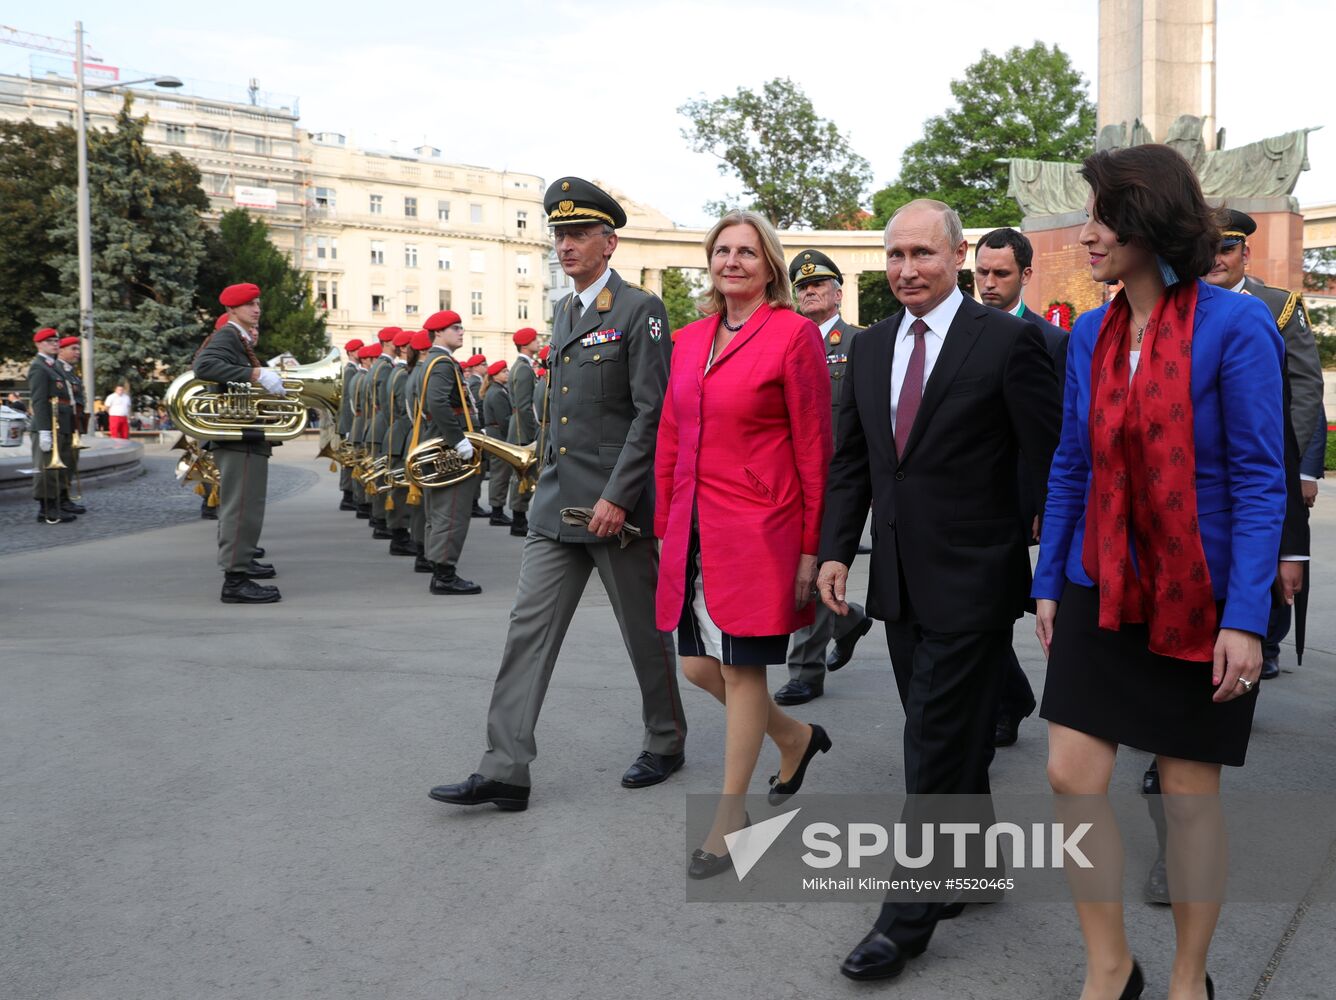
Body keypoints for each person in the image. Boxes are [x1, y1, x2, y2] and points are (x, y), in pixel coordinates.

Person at [1033, 145, 1285, 1000]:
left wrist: (1246, 617)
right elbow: (1074, 459)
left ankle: (1187, 978)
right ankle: (1111, 965)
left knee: (1185, 797)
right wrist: (1047, 579)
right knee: (1070, 773)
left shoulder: (1234, 324)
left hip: (1203, 599)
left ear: (1149, 219)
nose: (1089, 231)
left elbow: (1260, 479)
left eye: (1105, 214)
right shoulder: (1094, 332)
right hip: (1099, 581)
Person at [816, 199, 1060, 981]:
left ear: (957, 256)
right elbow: (854, 460)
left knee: (931, 741)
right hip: (897, 580)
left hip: (978, 579)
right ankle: (975, 864)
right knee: (941, 731)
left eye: (922, 254)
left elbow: (1048, 460)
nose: (905, 270)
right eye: (894, 256)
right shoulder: (873, 345)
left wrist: (1047, 569)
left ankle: (907, 917)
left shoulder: (1009, 342)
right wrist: (834, 554)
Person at [429, 176, 686, 812]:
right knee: (527, 630)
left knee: (643, 630)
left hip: (613, 510)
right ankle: (505, 767)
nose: (565, 245)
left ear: (610, 242)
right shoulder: (566, 310)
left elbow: (650, 414)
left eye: (577, 234)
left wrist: (621, 497)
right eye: (559, 235)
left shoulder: (638, 311)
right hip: (554, 504)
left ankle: (666, 736)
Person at [657, 212, 833, 878]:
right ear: (710, 261)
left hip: (762, 530)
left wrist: (814, 548)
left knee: (741, 671)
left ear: (770, 265)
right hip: (694, 528)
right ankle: (795, 738)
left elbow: (816, 448)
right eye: (722, 250)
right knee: (698, 668)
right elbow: (669, 439)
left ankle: (730, 819)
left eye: (747, 252)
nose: (733, 261)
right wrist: (668, 527)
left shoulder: (793, 336)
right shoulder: (688, 339)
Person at [1206, 208, 1324, 680]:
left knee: (1273, 547)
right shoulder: (1181, 304)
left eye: (1226, 248)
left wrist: (1296, 466)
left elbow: (1304, 391)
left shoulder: (1278, 304)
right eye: (1208, 249)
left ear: (1244, 253)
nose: (1216, 259)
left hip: (1270, 457)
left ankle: (1267, 640)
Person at [974, 226, 1072, 747]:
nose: (989, 284)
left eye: (1001, 274)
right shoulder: (955, 332)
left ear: (1026, 276)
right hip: (966, 497)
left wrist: (1044, 504)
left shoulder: (1053, 340)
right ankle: (1009, 697)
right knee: (980, 606)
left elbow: (1054, 437)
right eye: (982, 273)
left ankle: (1004, 702)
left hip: (1019, 501)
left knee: (995, 605)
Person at [774, 248, 871, 707]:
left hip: (836, 480)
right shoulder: (785, 340)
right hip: (787, 480)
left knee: (810, 566)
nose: (809, 291)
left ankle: (805, 671)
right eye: (802, 286)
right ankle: (847, 619)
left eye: (818, 285)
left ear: (838, 292)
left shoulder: (858, 344)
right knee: (790, 568)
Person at [193, 283, 284, 604]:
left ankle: (241, 565)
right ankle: (234, 580)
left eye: (258, 303)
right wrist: (256, 375)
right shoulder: (227, 335)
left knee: (248, 507)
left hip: (244, 434)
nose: (256, 309)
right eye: (248, 305)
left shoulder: (239, 338)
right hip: (236, 437)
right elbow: (203, 367)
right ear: (232, 310)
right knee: (241, 507)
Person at [413, 310, 482, 595]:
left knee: (440, 510)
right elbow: (438, 404)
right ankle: (444, 574)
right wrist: (459, 441)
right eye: (456, 328)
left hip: (439, 443)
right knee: (451, 511)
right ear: (439, 333)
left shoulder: (434, 361)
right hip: (447, 447)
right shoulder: (442, 363)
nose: (462, 332)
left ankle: (439, 567)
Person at [27, 328, 75, 524]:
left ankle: (56, 504)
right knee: (46, 468)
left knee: (58, 467)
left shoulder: (53, 366)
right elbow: (38, 401)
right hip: (47, 425)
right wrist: (45, 430)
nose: (55, 344)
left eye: (56, 341)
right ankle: (46, 508)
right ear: (38, 344)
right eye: (49, 341)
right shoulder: (39, 367)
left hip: (59, 423)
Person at [404, 329, 435, 574]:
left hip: (417, 436)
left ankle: (422, 549)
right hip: (426, 438)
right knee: (428, 503)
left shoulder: (413, 371)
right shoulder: (425, 371)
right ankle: (425, 551)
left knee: (422, 502)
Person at [384, 329, 416, 556]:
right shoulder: (403, 374)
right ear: (405, 349)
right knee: (401, 489)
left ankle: (400, 535)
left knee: (400, 487)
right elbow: (405, 411)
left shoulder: (397, 372)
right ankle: (399, 537)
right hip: (402, 435)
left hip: (397, 433)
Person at [507, 327, 541, 536]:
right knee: (523, 476)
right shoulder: (524, 369)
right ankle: (518, 519)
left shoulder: (522, 367)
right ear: (525, 344)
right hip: (522, 430)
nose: (538, 343)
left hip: (520, 427)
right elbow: (523, 406)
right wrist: (530, 436)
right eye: (534, 340)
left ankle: (519, 517)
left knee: (523, 476)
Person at [368, 327, 399, 540]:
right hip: (384, 425)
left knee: (380, 473)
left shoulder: (380, 365)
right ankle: (381, 521)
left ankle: (379, 520)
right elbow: (387, 403)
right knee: (383, 474)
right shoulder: (385, 367)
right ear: (388, 342)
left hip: (378, 424)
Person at [54, 336, 86, 514]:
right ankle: (59, 498)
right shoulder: (56, 369)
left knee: (71, 461)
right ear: (61, 351)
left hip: (74, 422)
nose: (77, 353)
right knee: (63, 461)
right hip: (62, 424)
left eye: (78, 349)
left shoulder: (71, 372)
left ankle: (65, 496)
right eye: (73, 349)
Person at [482, 359, 514, 525]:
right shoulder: (498, 392)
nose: (507, 374)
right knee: (500, 475)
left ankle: (497, 511)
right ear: (495, 375)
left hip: (495, 434)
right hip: (499, 436)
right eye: (504, 371)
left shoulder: (498, 390)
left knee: (499, 474)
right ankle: (496, 512)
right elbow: (505, 420)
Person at [337, 338, 364, 512]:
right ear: (351, 353)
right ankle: (347, 496)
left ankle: (351, 495)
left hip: (349, 422)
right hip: (348, 422)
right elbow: (348, 401)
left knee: (351, 460)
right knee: (349, 461)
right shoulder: (350, 371)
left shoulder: (354, 370)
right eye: (358, 350)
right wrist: (348, 427)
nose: (361, 352)